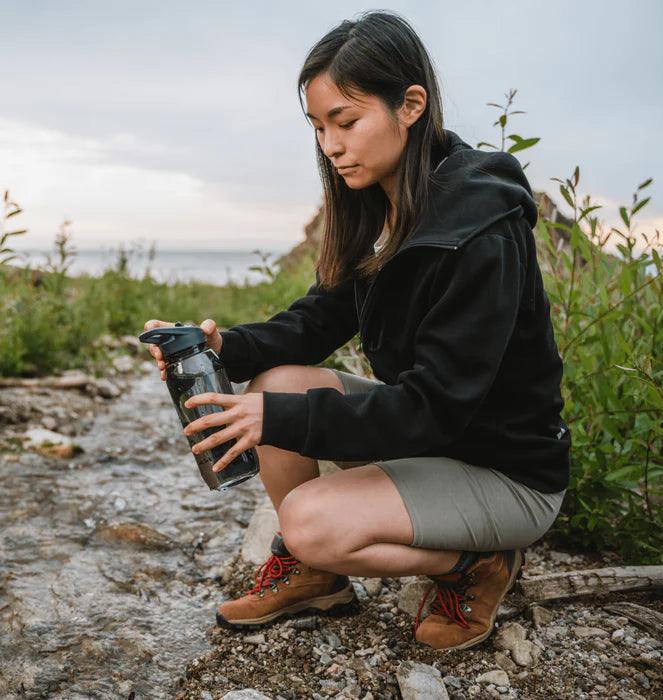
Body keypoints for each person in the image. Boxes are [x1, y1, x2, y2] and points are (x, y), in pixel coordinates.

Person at [145, 10, 571, 652]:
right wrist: (221, 347)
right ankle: (321, 578)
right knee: (278, 377)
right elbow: (316, 321)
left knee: (306, 520)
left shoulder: (480, 230)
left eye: (346, 122)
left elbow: (434, 406)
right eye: (318, 127)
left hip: (506, 473)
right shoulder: (383, 210)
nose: (331, 145)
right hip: (436, 446)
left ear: (411, 105)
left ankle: (476, 565)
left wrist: (278, 419)